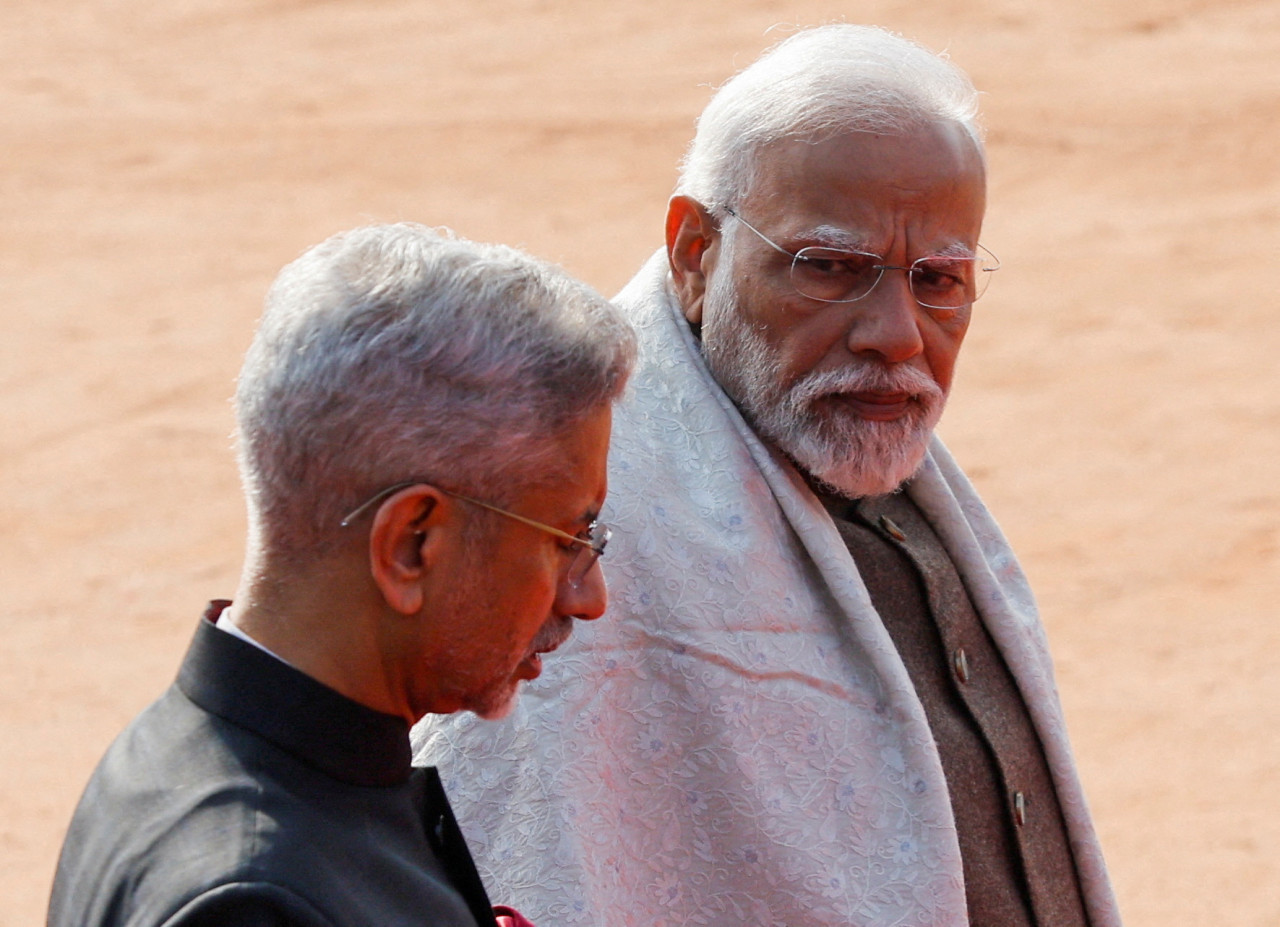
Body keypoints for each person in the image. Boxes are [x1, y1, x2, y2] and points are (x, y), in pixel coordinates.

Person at [412, 25, 1123, 927]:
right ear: (695, 253)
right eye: (831, 267)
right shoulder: (565, 518)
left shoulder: (898, 476)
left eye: (939, 278)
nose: (897, 334)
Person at [47, 223, 636, 927]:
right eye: (566, 537)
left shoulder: (199, 759)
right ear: (412, 545)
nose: (589, 595)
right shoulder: (254, 901)